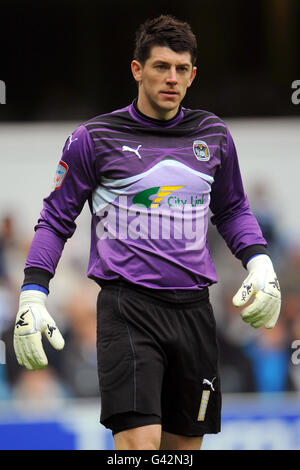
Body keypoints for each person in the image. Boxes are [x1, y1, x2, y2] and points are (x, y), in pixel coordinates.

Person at [13, 15, 281, 450]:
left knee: (182, 452)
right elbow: (56, 218)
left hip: (195, 310)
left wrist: (261, 262)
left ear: (192, 75)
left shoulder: (214, 136)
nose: (171, 78)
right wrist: (32, 292)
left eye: (181, 69)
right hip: (127, 309)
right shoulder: (93, 138)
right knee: (139, 446)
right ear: (137, 69)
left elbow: (232, 208)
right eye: (160, 67)